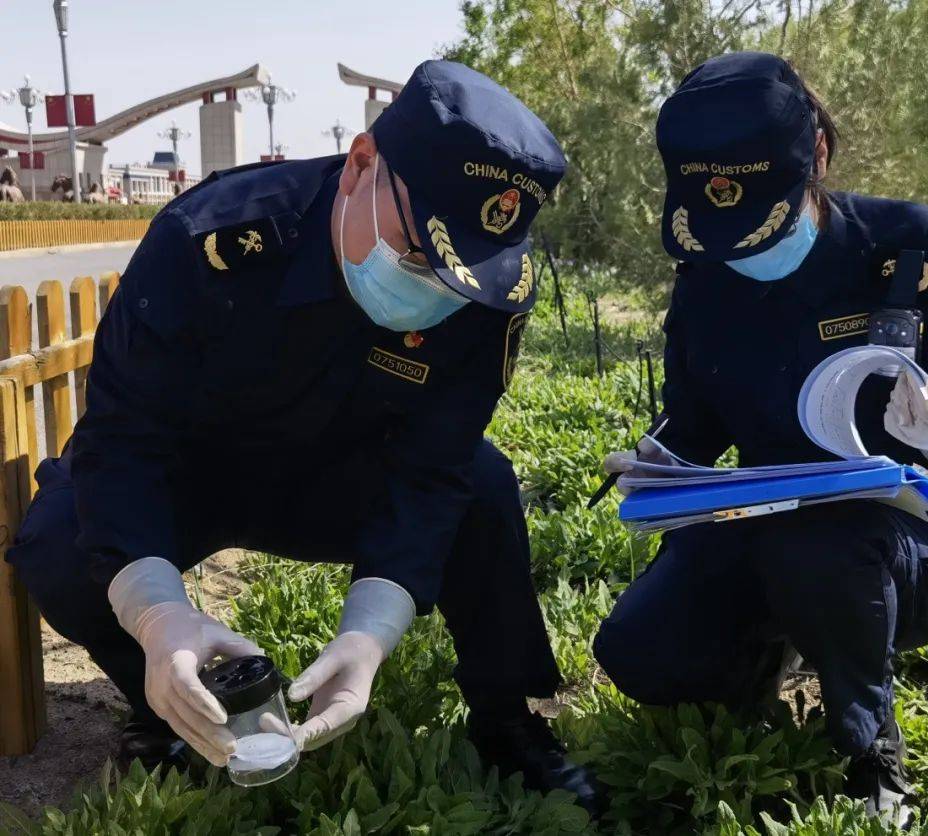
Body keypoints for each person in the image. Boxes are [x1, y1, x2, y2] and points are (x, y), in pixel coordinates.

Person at [7, 60, 600, 814]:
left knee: (483, 486)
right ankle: (171, 708)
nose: (436, 291)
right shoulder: (210, 239)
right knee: (60, 542)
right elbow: (124, 441)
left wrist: (370, 634)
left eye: (459, 281)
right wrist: (157, 615)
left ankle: (508, 720)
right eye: (420, 256)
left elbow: (434, 466)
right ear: (360, 166)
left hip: (343, 481)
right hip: (197, 478)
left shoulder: (488, 289)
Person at [593, 52, 928, 826]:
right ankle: (772, 657)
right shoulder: (706, 274)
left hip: (907, 549)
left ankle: (869, 750)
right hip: (761, 523)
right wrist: (656, 464)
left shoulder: (909, 250)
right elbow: (692, 421)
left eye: (758, 209)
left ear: (816, 157)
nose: (740, 245)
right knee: (639, 649)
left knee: (817, 548)